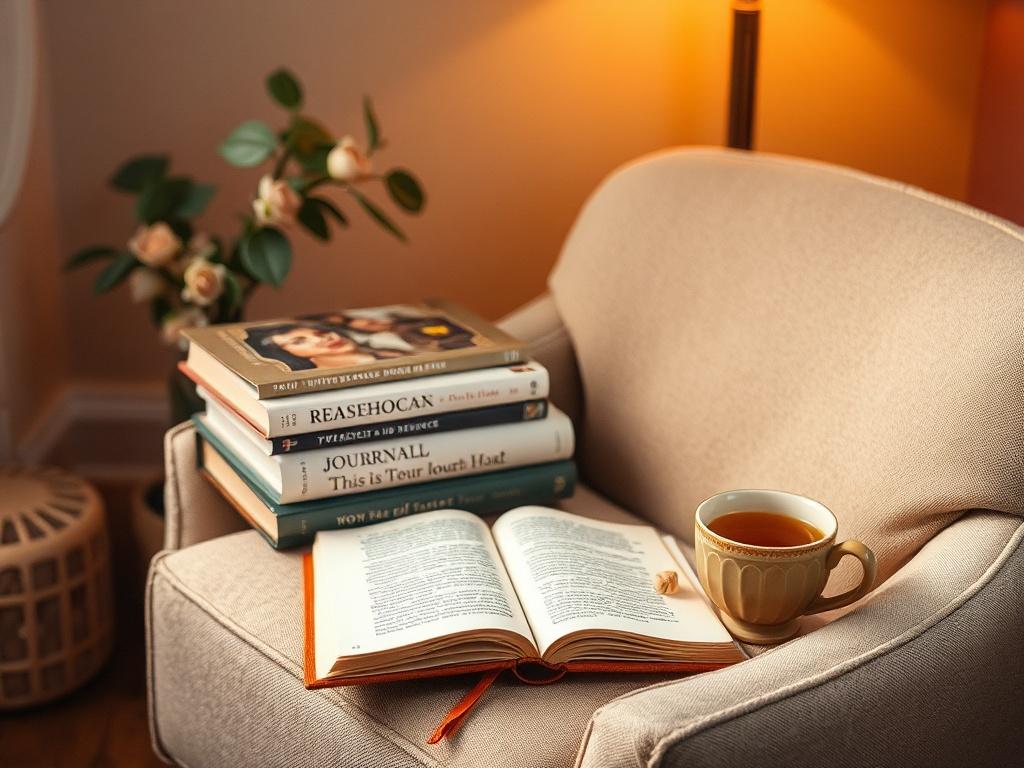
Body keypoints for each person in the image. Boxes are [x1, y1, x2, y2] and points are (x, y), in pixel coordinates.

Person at [244, 322, 402, 371]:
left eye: (320, 333)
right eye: (299, 341)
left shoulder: (393, 351)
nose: (323, 339)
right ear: (285, 354)